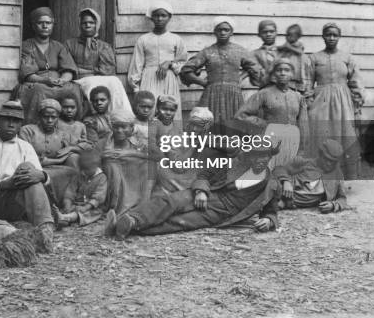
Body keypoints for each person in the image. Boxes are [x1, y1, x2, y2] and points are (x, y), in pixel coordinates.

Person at [105, 131, 281, 239]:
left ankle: (128, 228)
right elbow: (205, 174)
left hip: (223, 212)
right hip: (211, 194)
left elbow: (271, 211)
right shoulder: (233, 164)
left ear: (270, 157)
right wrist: (201, 191)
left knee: (180, 222)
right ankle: (133, 218)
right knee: (172, 202)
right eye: (257, 155)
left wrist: (268, 220)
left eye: (265, 156)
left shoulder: (272, 184)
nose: (261, 160)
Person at [0, 101, 55, 247]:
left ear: (20, 125)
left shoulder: (25, 146)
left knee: (28, 168)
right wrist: (5, 184)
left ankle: (45, 229)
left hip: (15, 200)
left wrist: (42, 176)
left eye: (16, 121)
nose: (11, 124)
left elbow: (37, 176)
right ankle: (11, 227)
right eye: (7, 120)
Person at [305, 23, 365, 179]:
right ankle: (321, 176)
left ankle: (347, 177)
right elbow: (307, 83)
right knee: (321, 134)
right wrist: (309, 102)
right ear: (322, 36)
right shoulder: (314, 58)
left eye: (335, 35)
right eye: (328, 34)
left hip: (343, 102)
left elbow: (356, 83)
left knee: (345, 134)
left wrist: (357, 105)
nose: (331, 38)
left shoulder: (347, 58)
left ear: (339, 37)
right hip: (321, 102)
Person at [180, 16, 262, 132]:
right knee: (206, 126)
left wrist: (240, 78)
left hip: (233, 94)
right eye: (219, 30)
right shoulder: (207, 52)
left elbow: (254, 67)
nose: (223, 32)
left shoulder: (239, 50)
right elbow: (186, 70)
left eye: (226, 30)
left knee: (234, 127)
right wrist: (202, 82)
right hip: (211, 94)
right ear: (214, 32)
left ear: (232, 32)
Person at [234, 58, 309, 168]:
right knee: (271, 171)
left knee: (289, 173)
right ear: (274, 74)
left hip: (293, 139)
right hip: (270, 139)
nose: (283, 73)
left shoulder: (298, 97)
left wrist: (302, 149)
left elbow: (304, 125)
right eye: (279, 70)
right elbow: (240, 115)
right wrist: (262, 123)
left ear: (292, 74)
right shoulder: (264, 94)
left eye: (287, 70)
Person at [14, 7, 83, 124]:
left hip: (57, 83)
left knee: (74, 89)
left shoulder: (58, 46)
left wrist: (62, 80)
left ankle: (74, 126)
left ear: (52, 25)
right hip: (38, 82)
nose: (45, 26)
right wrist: (45, 81)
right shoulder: (27, 46)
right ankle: (35, 126)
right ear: (33, 25)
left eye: (48, 23)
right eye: (40, 23)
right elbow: (28, 75)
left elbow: (69, 70)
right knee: (39, 90)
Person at [65, 8, 133, 116]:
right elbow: (69, 66)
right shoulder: (70, 44)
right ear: (80, 25)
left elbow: (107, 70)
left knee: (115, 81)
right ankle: (97, 117)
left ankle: (122, 116)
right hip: (79, 79)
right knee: (92, 83)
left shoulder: (103, 46)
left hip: (100, 77)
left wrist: (85, 70)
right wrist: (92, 71)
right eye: (84, 23)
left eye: (91, 23)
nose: (88, 25)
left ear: (96, 25)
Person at [127, 2, 187, 120]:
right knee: (150, 110)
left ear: (169, 17)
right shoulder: (143, 39)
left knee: (169, 110)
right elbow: (137, 64)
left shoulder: (176, 39)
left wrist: (170, 63)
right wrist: (136, 88)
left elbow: (183, 62)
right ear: (151, 17)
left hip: (168, 79)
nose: (160, 18)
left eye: (163, 15)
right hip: (149, 78)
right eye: (156, 15)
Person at [19, 99, 81, 203]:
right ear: (39, 116)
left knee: (74, 159)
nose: (50, 120)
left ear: (58, 118)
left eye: (53, 117)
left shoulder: (63, 135)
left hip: (57, 169)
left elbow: (86, 146)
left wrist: (71, 148)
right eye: (46, 117)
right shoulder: (28, 131)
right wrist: (58, 160)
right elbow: (23, 155)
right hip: (34, 167)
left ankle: (67, 201)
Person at [273, 139, 348, 213]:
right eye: (326, 159)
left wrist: (333, 205)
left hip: (290, 204)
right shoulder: (304, 162)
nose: (329, 164)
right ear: (320, 154)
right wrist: (286, 181)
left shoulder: (337, 174)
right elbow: (279, 169)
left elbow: (342, 198)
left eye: (333, 162)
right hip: (279, 194)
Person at [102, 111, 154, 215]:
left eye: (123, 127)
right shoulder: (107, 142)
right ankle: (117, 207)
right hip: (114, 175)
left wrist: (129, 153)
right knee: (112, 166)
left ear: (131, 127)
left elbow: (152, 156)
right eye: (116, 127)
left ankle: (142, 206)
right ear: (112, 127)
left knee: (149, 166)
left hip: (133, 174)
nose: (119, 130)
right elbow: (100, 155)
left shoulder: (137, 141)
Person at [53, 150, 108, 228]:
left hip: (92, 207)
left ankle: (66, 218)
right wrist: (67, 205)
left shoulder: (102, 178)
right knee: (67, 209)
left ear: (96, 167)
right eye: (82, 169)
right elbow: (70, 191)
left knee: (92, 214)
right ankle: (63, 218)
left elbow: (98, 198)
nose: (83, 172)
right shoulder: (79, 176)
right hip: (77, 205)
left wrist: (86, 207)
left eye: (87, 170)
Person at [83, 86, 113, 154]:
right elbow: (94, 143)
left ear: (109, 100)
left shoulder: (116, 117)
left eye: (102, 100)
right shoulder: (90, 121)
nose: (99, 103)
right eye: (95, 101)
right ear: (92, 103)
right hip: (102, 152)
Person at [277, 24, 306, 93]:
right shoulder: (287, 44)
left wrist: (289, 47)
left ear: (297, 37)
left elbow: (300, 52)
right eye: (287, 35)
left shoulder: (299, 44)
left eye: (291, 35)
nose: (288, 37)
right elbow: (280, 48)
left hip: (296, 70)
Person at [253, 19, 279, 88]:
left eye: (271, 31)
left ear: (276, 33)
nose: (268, 34)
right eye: (265, 32)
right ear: (259, 34)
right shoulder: (254, 54)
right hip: (264, 89)